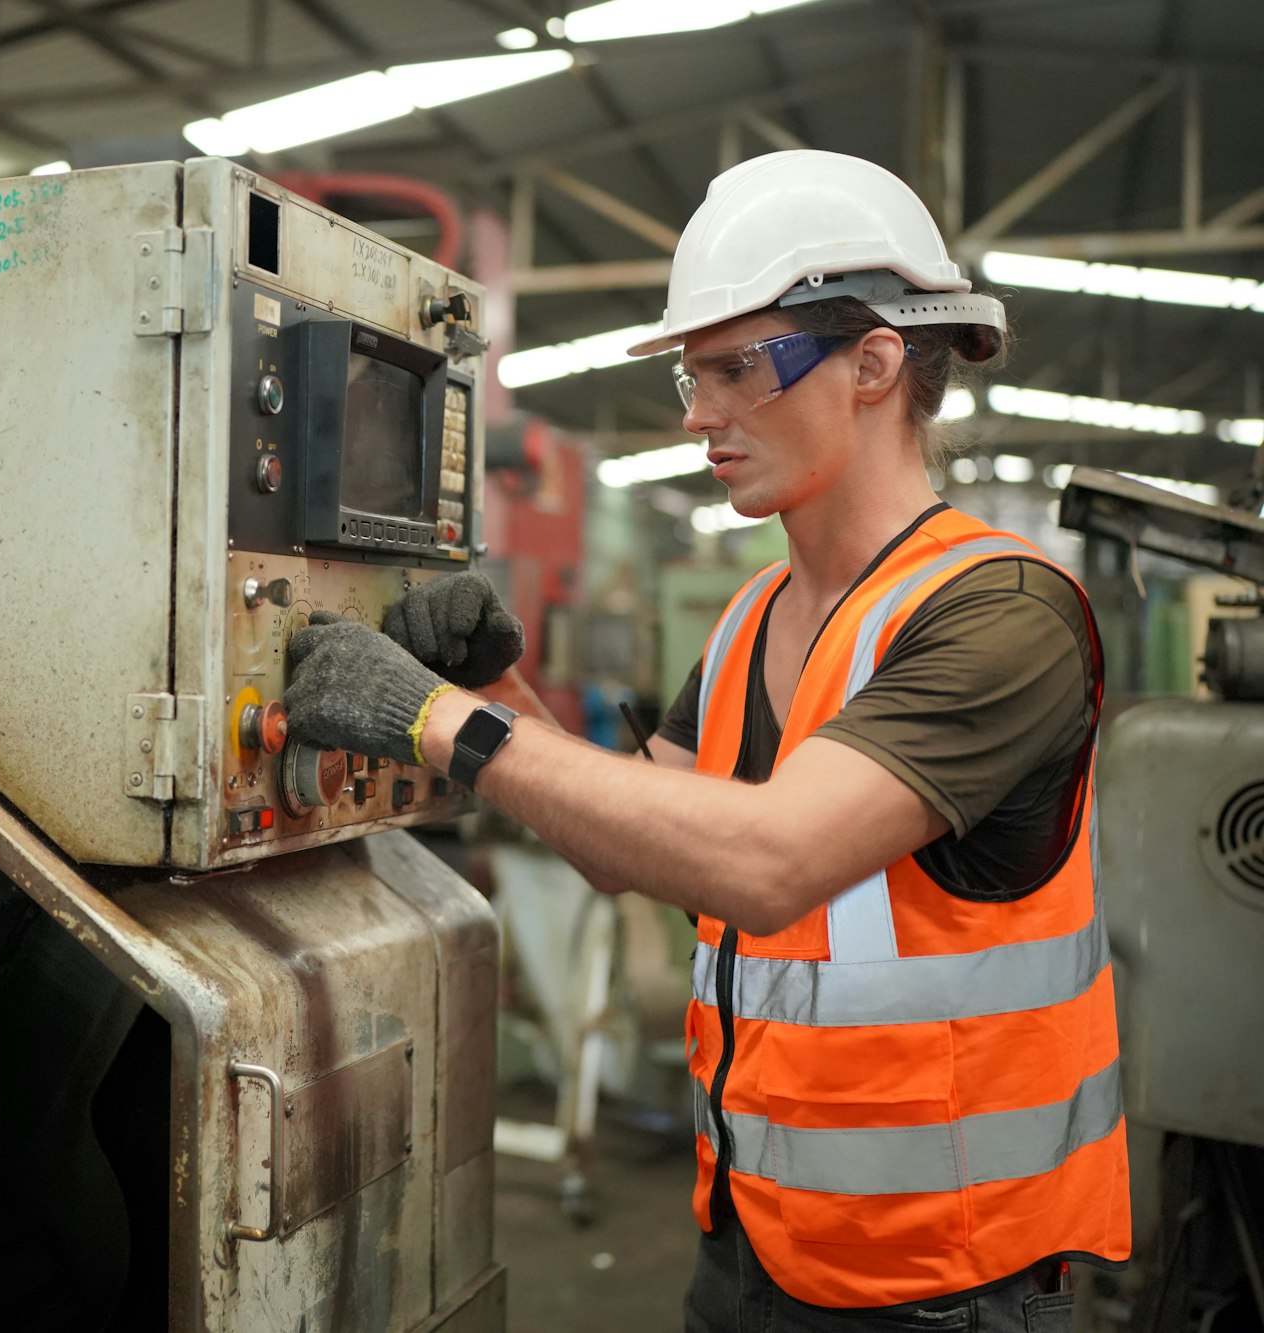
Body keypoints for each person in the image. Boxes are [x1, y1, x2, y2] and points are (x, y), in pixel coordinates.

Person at [284, 150, 1128, 1330]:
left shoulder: (1000, 614)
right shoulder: (748, 621)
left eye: (737, 367)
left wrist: (428, 719)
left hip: (943, 1278)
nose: (695, 414)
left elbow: (766, 863)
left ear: (875, 363)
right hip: (752, 1239)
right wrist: (498, 685)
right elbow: (633, 844)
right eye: (691, 374)